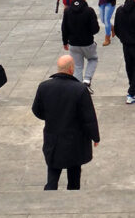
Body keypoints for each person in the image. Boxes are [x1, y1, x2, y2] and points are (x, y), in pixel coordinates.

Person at [31, 55, 100, 190]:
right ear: (71, 69)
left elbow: (36, 110)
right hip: (74, 141)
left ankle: (49, 196)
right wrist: (95, 136)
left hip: (53, 139)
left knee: (52, 173)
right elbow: (88, 117)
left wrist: (51, 117)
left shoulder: (44, 87)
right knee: (74, 176)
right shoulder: (79, 89)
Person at [61, 0, 100, 88]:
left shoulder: (67, 10)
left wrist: (65, 42)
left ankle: (78, 88)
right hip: (87, 42)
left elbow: (64, 28)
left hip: (73, 43)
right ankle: (87, 80)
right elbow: (95, 29)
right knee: (92, 59)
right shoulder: (89, 11)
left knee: (77, 66)